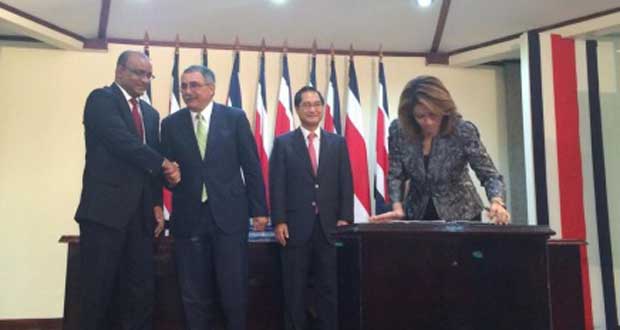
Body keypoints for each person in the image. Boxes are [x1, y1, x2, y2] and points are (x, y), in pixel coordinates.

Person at [74, 50, 180, 330]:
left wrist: (157, 203)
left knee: (139, 291)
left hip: (141, 218)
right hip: (104, 214)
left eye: (148, 74)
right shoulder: (101, 99)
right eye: (137, 72)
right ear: (119, 71)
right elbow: (121, 142)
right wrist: (164, 163)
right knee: (97, 292)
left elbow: (149, 165)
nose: (144, 79)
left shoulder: (150, 113)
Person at [160, 65, 269, 330]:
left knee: (233, 289)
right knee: (193, 292)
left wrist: (260, 210)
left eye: (194, 85)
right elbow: (166, 171)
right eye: (184, 86)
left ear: (211, 88)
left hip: (229, 217)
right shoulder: (171, 124)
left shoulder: (234, 118)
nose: (187, 91)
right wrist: (169, 178)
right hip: (188, 218)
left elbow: (251, 166)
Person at [370, 75, 510, 224]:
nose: (428, 122)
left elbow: (489, 175)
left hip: (461, 214)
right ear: (410, 115)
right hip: (417, 213)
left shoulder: (462, 130)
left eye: (433, 114)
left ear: (444, 110)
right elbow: (395, 174)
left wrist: (497, 202)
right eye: (420, 116)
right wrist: (397, 207)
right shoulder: (399, 130)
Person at [270, 86, 354, 330]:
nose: (312, 109)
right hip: (295, 228)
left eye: (317, 104)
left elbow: (345, 182)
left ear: (323, 108)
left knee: (328, 288)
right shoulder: (284, 143)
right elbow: (277, 185)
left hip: (329, 227)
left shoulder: (337, 143)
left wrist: (345, 217)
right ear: (297, 109)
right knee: (294, 289)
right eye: (306, 104)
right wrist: (279, 220)